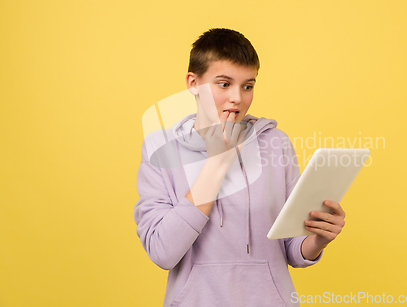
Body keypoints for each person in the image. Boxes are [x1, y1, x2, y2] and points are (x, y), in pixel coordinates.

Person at [134, 28, 346, 307]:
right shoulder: (160, 147)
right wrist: (216, 164)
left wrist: (317, 239)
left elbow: (291, 249)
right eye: (224, 84)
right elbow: (163, 251)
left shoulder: (276, 143)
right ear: (193, 83)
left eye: (248, 86)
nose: (238, 97)